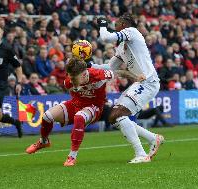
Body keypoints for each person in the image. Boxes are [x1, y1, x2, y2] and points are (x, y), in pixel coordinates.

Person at [98, 14, 164, 163]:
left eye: (116, 23)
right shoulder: (121, 47)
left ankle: (141, 154)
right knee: (114, 119)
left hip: (148, 82)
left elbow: (106, 38)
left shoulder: (132, 32)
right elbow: (108, 67)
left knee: (117, 114)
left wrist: (102, 24)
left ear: (123, 24)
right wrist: (88, 66)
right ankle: (153, 138)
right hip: (141, 83)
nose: (114, 26)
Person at [25, 58, 114, 166]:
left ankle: (72, 156)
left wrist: (107, 87)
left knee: (79, 117)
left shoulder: (98, 75)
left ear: (83, 75)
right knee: (47, 116)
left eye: (73, 78)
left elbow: (114, 72)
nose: (71, 80)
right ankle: (44, 141)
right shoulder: (68, 81)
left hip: (94, 107)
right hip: (75, 104)